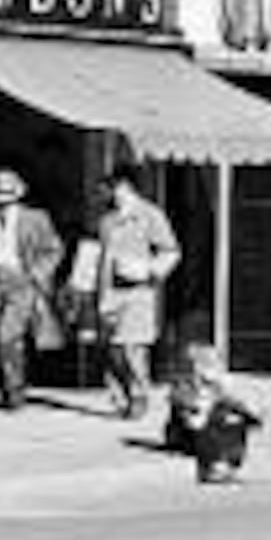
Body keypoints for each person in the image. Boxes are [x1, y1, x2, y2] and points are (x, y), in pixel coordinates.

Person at [0, 167, 65, 409]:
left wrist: (37, 273)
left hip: (21, 282)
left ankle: (14, 391)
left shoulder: (36, 218)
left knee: (7, 337)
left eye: (6, 198)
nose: (1, 204)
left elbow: (54, 249)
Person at [92, 171, 180, 417]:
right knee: (112, 350)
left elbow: (170, 251)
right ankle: (119, 398)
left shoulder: (150, 215)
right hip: (108, 291)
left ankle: (139, 397)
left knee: (132, 347)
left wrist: (148, 270)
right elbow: (94, 253)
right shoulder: (106, 220)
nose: (108, 193)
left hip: (137, 292)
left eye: (112, 187)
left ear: (126, 187)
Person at [163, 318, 258, 484]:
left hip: (202, 428)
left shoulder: (217, 383)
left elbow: (234, 398)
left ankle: (229, 463)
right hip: (191, 435)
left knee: (235, 418)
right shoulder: (185, 386)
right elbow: (192, 416)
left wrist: (247, 410)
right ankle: (215, 466)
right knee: (221, 419)